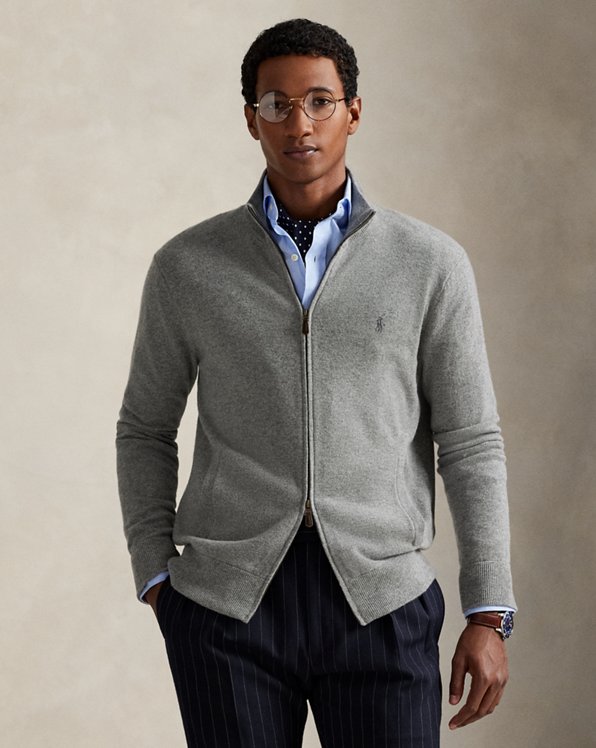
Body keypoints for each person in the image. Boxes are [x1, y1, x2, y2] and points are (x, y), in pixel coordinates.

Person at [116, 18, 516, 747]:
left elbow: (470, 441)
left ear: (353, 112)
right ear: (251, 119)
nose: (298, 123)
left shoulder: (428, 263)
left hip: (381, 602)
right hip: (225, 610)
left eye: (319, 102)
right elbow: (145, 428)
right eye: (276, 104)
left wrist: (489, 611)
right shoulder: (188, 266)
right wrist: (154, 574)